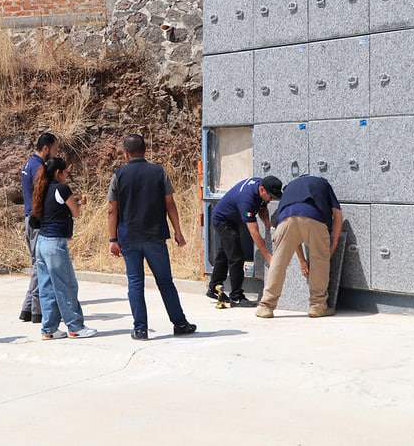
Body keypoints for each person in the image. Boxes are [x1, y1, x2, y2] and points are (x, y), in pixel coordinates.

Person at [107, 134, 196, 340]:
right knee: (165, 282)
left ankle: (140, 329)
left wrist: (113, 240)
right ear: (145, 150)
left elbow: (112, 209)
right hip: (155, 236)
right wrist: (178, 232)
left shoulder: (119, 175)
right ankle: (180, 324)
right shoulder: (159, 172)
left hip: (129, 238)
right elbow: (170, 203)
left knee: (135, 283)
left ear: (126, 153)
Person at [255, 175, 343, 319]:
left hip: (285, 221)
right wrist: (333, 246)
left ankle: (266, 306)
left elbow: (295, 235)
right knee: (320, 261)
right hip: (315, 218)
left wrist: (302, 260)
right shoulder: (323, 183)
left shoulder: (289, 187)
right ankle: (317, 306)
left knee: (278, 263)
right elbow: (338, 216)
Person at [32, 157, 97, 340]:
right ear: (58, 172)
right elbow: (74, 212)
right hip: (55, 244)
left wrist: (76, 203)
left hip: (41, 242)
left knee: (47, 287)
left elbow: (57, 208)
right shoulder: (62, 188)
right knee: (67, 285)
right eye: (66, 172)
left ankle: (49, 329)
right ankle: (75, 327)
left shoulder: (42, 188)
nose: (67, 175)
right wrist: (79, 203)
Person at [207, 176, 283, 307]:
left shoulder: (262, 186)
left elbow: (262, 207)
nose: (271, 200)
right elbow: (254, 232)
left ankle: (214, 287)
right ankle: (236, 296)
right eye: (270, 197)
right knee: (236, 258)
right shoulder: (246, 199)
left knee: (225, 253)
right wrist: (268, 257)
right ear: (262, 189)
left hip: (233, 218)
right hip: (223, 220)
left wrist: (266, 222)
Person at [19, 132, 59, 323]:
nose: (55, 153)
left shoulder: (29, 164)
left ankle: (27, 308)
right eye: (55, 149)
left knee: (37, 263)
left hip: (29, 218)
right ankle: (37, 309)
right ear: (45, 148)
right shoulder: (38, 167)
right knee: (40, 264)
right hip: (37, 220)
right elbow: (41, 194)